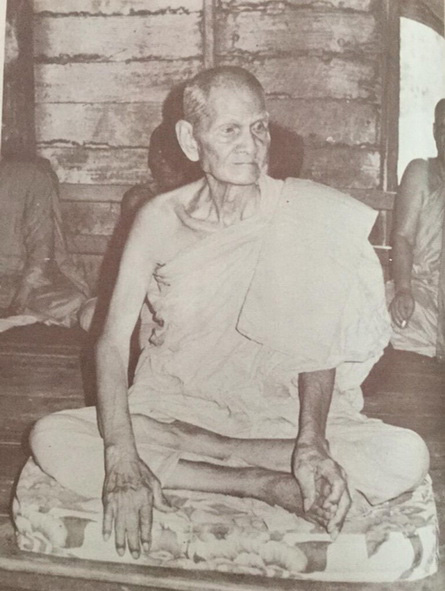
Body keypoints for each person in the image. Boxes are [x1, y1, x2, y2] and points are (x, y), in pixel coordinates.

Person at [30, 66, 429, 561]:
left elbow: (317, 346)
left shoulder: (301, 211)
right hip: (178, 407)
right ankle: (259, 483)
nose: (251, 145)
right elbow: (111, 342)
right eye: (230, 130)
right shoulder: (158, 220)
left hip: (275, 416)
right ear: (190, 140)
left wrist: (310, 443)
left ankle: (207, 463)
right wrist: (121, 456)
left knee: (403, 456)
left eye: (259, 127)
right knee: (54, 437)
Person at [0, 156, 89, 328]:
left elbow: (41, 247)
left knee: (74, 301)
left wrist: (22, 295)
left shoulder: (31, 177)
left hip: (22, 287)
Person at [388, 99, 445, 361]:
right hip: (423, 292)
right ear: (435, 132)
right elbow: (402, 237)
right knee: (378, 318)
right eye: (444, 129)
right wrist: (403, 289)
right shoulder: (421, 172)